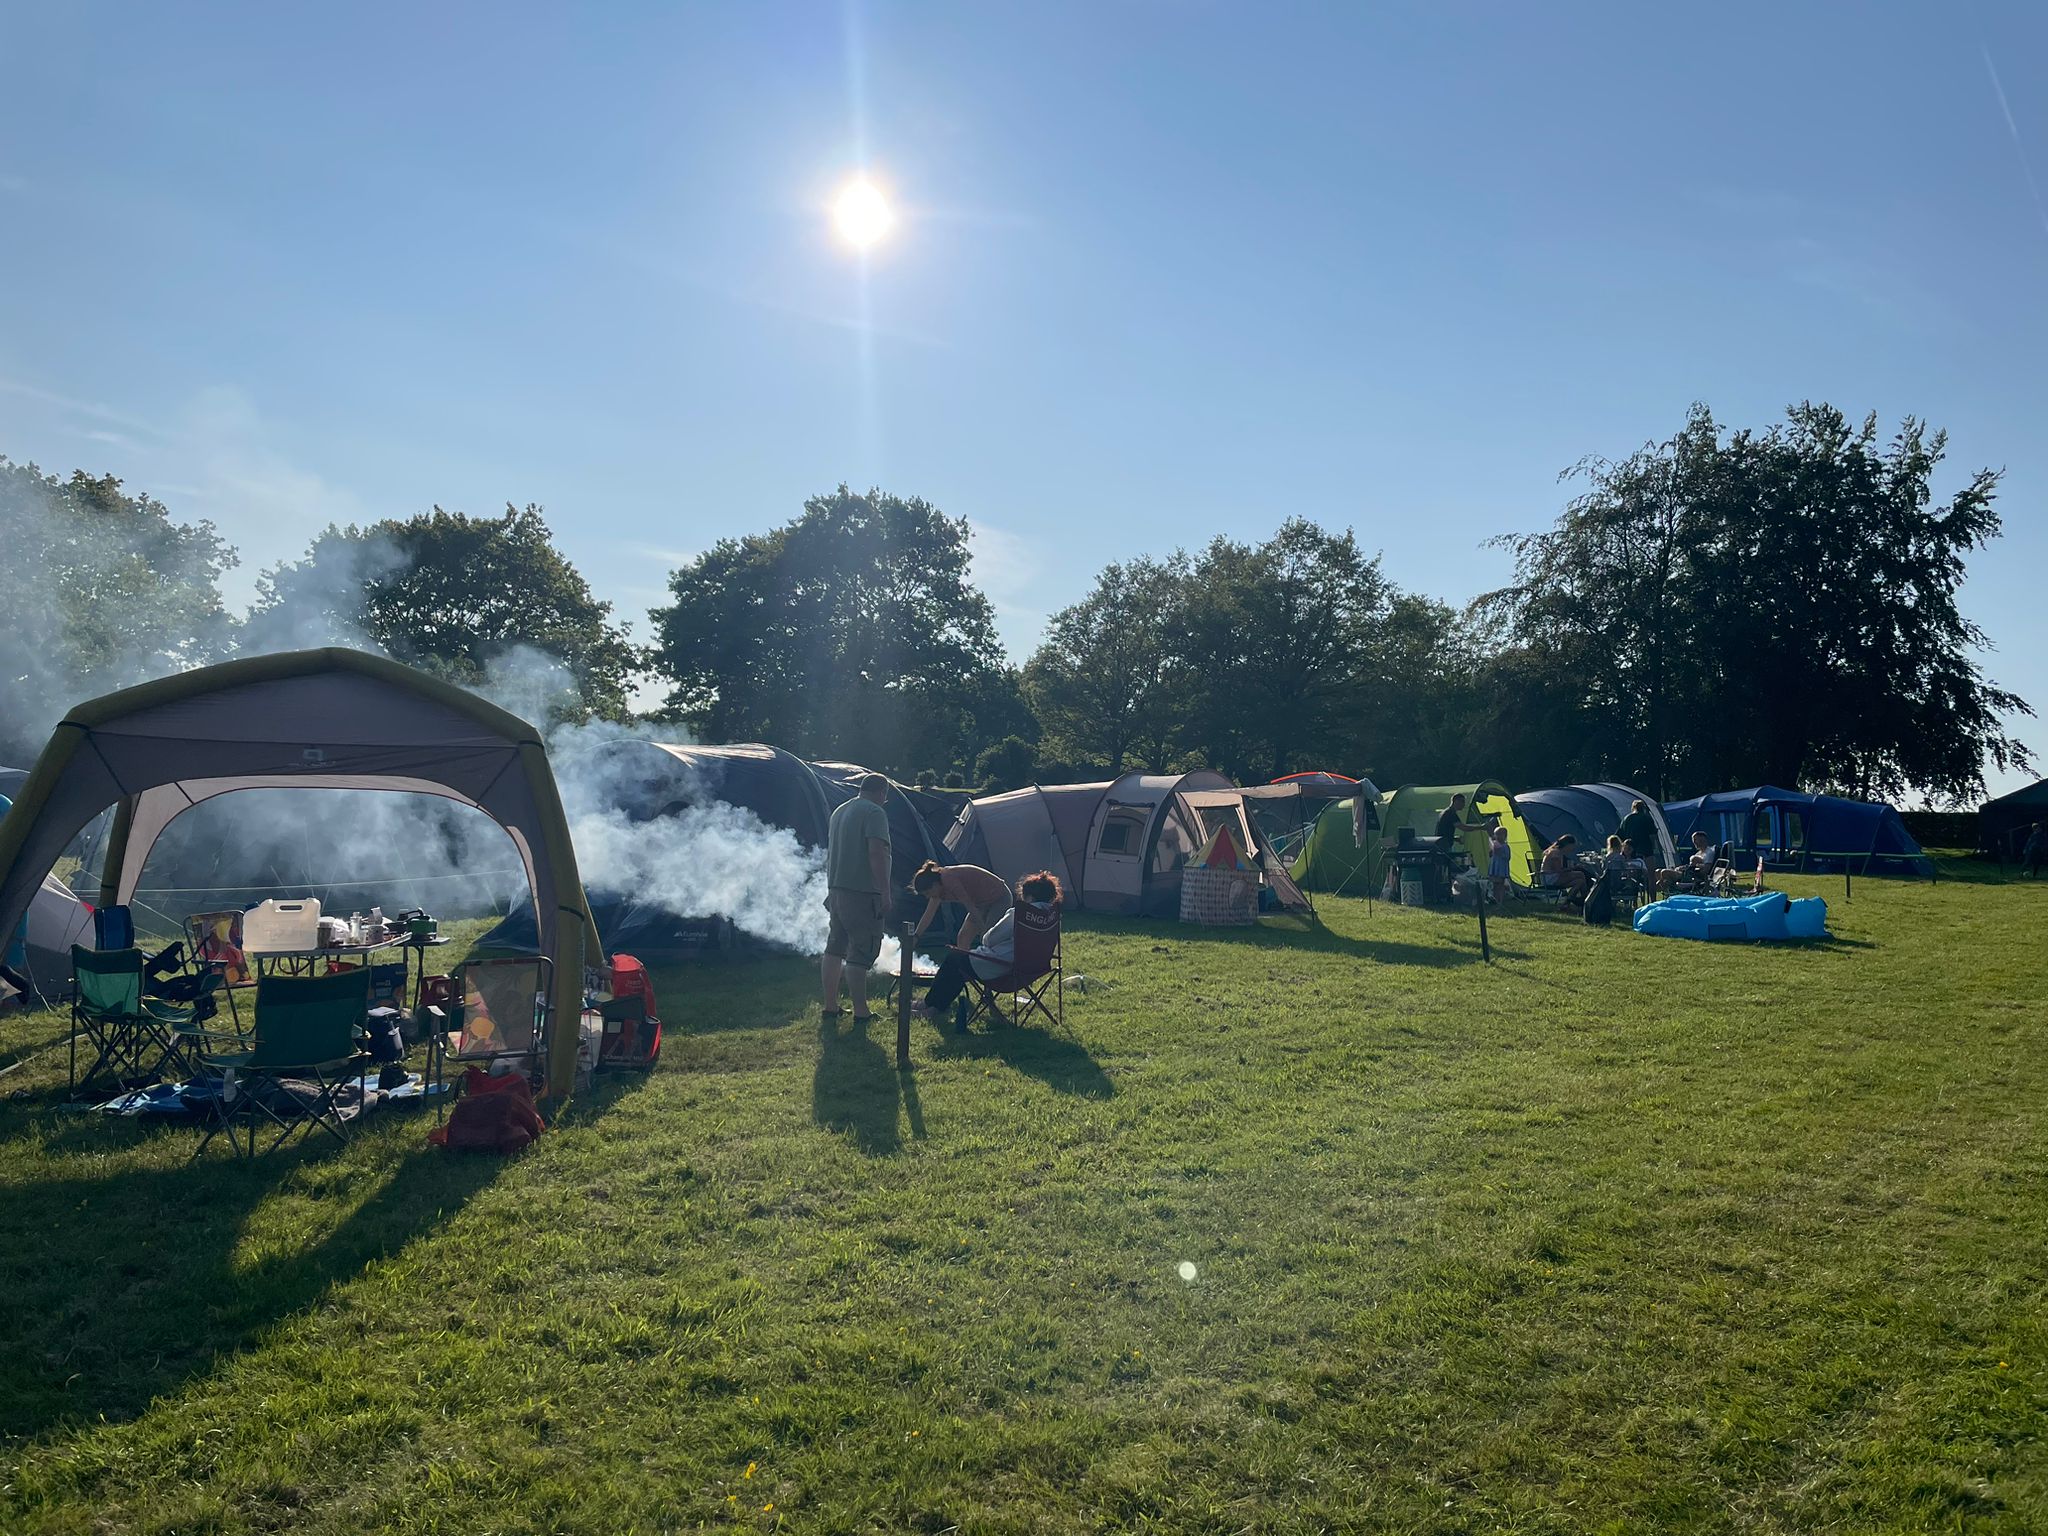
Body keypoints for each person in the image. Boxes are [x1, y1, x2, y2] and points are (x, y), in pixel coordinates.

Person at [917, 871, 1063, 1029]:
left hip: (1003, 967)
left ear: (1030, 898)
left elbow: (989, 939)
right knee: (959, 962)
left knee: (955, 960)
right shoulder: (1053, 917)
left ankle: (931, 1007)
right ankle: (932, 1005)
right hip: (1033, 969)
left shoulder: (1019, 914)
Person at [820, 773, 892, 1023]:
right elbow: (876, 852)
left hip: (837, 889)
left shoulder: (839, 811)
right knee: (861, 950)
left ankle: (830, 1006)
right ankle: (861, 1011)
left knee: (834, 947)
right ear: (882, 792)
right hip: (862, 892)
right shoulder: (874, 813)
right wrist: (885, 891)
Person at [909, 860, 1012, 950]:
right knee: (963, 938)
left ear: (934, 885)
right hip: (981, 903)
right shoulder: (937, 891)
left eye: (927, 893)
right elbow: (928, 915)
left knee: (989, 938)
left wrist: (983, 930)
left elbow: (969, 905)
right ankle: (964, 966)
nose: (928, 897)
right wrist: (916, 937)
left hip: (1000, 897)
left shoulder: (949, 879)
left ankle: (991, 968)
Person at [1616, 799, 1660, 872]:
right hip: (1646, 850)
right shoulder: (1647, 818)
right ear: (1643, 808)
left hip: (1630, 851)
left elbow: (1619, 835)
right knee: (1650, 873)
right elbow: (1653, 836)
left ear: (1633, 808)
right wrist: (1656, 849)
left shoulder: (1626, 818)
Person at [1487, 824, 1512, 902]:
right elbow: (1490, 854)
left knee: (1500, 885)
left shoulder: (1505, 846)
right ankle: (1495, 899)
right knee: (1495, 884)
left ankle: (1500, 900)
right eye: (1496, 834)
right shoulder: (1495, 845)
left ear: (1505, 836)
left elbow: (1507, 857)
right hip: (1494, 867)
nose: (1497, 836)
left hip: (1500, 868)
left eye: (1499, 834)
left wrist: (1499, 850)